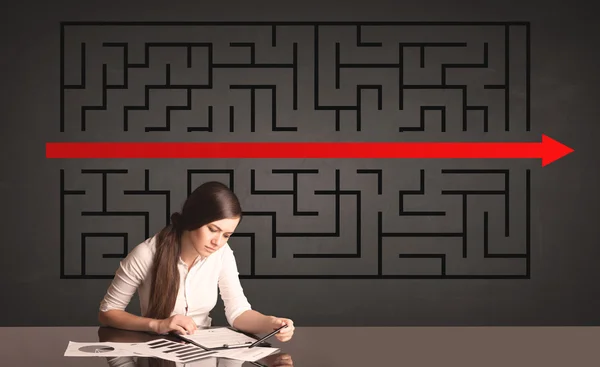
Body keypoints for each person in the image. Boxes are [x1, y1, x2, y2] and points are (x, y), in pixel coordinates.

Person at [98, 181, 295, 343]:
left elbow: (238, 312)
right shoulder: (146, 254)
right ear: (194, 219)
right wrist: (157, 325)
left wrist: (272, 323)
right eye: (212, 229)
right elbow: (108, 312)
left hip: (203, 352)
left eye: (227, 235)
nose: (217, 242)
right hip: (156, 351)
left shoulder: (222, 253)